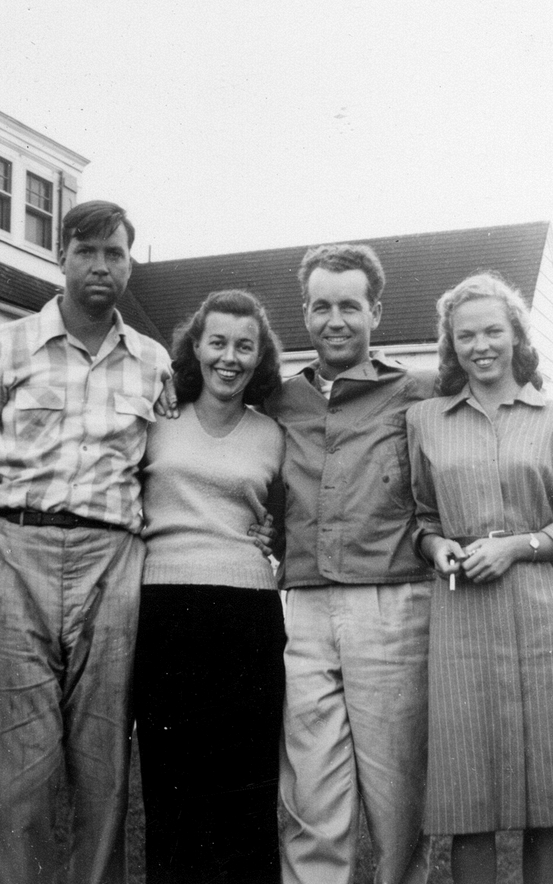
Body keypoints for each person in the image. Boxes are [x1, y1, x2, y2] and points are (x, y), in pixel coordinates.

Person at [262, 243, 553, 884]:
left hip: (473, 615)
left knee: (477, 805)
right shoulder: (336, 407)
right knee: (370, 801)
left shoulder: (490, 408)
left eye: (350, 306)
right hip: (382, 614)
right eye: (321, 306)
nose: (480, 345)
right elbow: (420, 515)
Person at [0, 201, 175, 884]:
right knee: (22, 761)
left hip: (113, 560)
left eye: (116, 254)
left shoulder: (154, 362)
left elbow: (166, 464)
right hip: (18, 550)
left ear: (129, 264)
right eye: (88, 251)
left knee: (103, 758)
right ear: (61, 256)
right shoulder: (12, 346)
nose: (102, 266)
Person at [406, 272, 553, 884]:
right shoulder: (425, 420)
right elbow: (420, 514)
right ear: (450, 344)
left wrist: (520, 545)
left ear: (517, 334)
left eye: (494, 330)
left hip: (547, 619)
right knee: (470, 801)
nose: (481, 345)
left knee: (549, 803)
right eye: (466, 335)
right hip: (463, 619)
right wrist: (434, 545)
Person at [134, 289, 286, 884]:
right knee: (172, 782)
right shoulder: (155, 417)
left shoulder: (274, 433)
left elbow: (285, 519)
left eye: (244, 346)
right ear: (195, 347)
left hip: (248, 610)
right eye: (217, 342)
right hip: (165, 607)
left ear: (259, 355)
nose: (230, 357)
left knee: (246, 786)